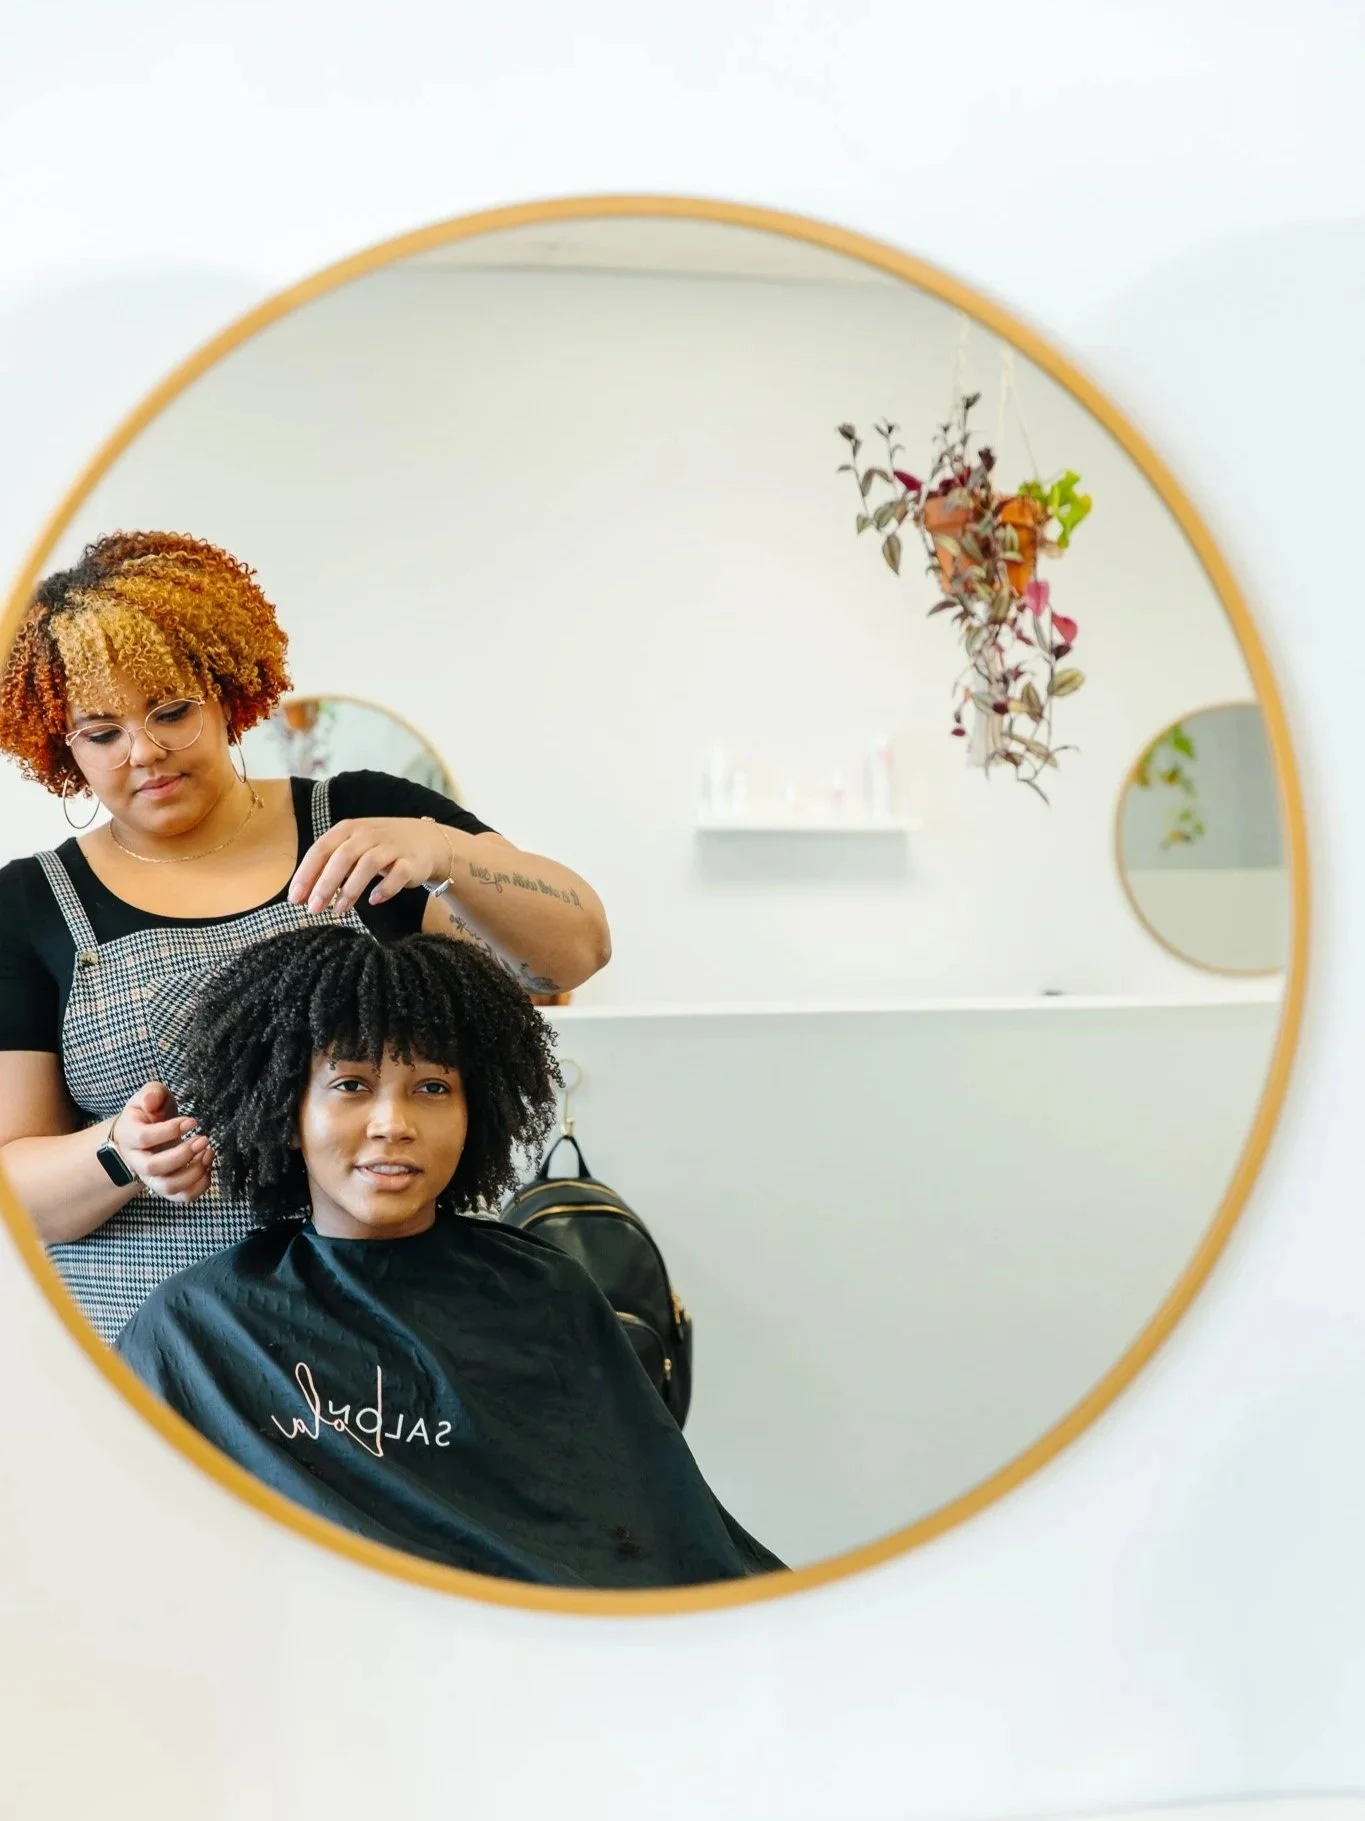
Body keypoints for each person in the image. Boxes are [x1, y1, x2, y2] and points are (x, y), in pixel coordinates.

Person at [0, 531, 611, 1341]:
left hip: (385, 1342)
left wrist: (446, 851)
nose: (144, 752)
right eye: (102, 733)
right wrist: (118, 1153)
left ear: (227, 690)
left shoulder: (359, 817)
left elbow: (573, 953)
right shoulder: (32, 904)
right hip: (161, 1366)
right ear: (62, 746)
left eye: (172, 711)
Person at [117, 926, 781, 1589]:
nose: (392, 1123)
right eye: (350, 1083)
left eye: (432, 1087)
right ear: (287, 1109)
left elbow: (658, 1537)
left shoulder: (544, 1292)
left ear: (475, 1111)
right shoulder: (197, 1323)